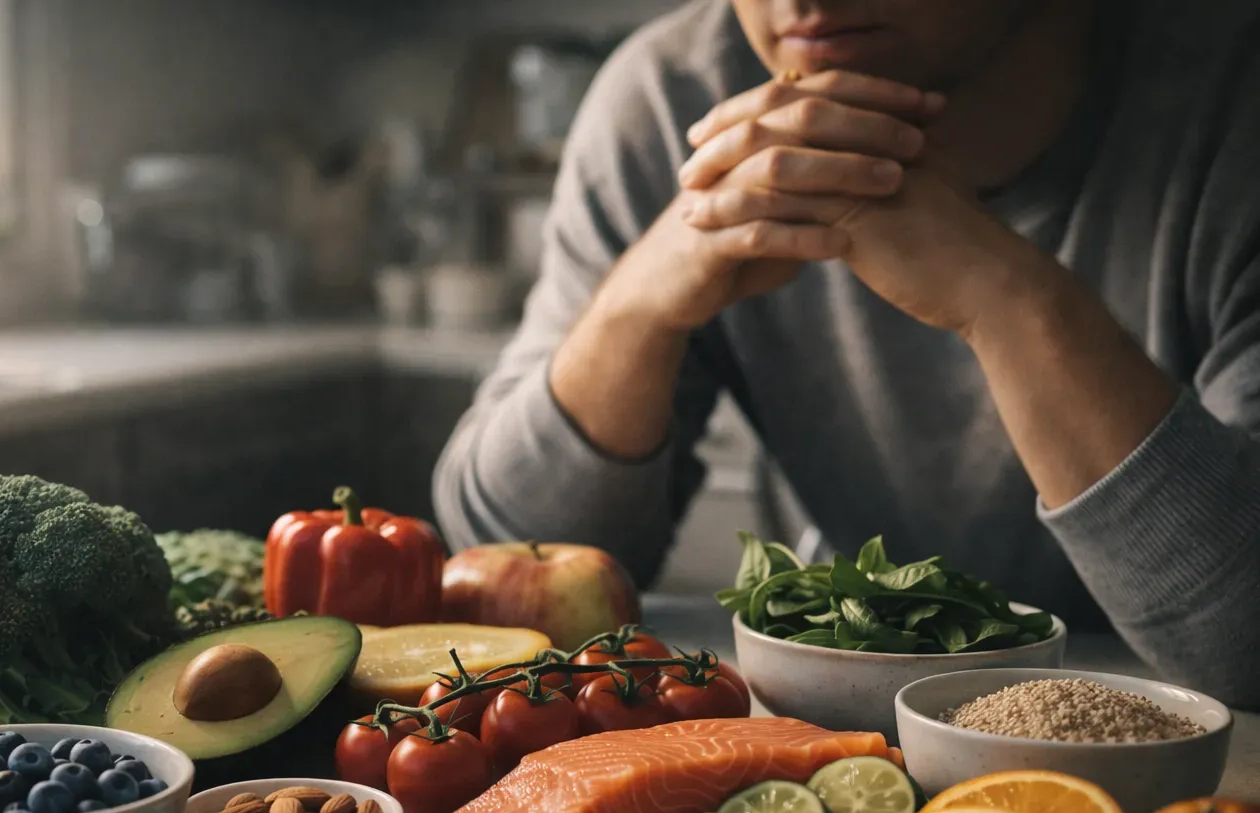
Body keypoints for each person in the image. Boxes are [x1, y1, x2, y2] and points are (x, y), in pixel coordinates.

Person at [431, 0, 1260, 708]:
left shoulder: (1230, 100)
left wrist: (1001, 297)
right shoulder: (672, 99)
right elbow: (496, 589)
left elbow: (1249, 648)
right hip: (852, 734)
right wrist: (634, 309)